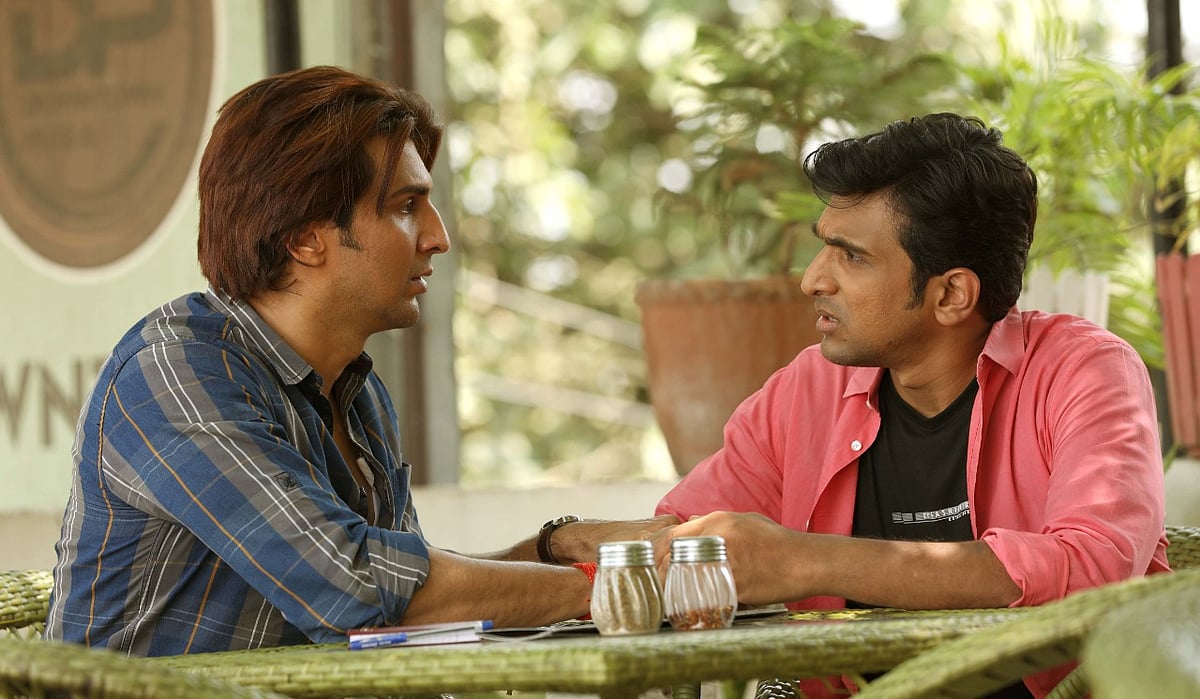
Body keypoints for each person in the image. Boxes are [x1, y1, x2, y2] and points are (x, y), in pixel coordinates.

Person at [45, 65, 669, 656]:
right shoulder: (175, 373)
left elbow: (410, 596)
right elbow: (360, 594)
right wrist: (625, 586)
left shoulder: (352, 386)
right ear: (304, 238)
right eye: (405, 207)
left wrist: (559, 547)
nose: (438, 237)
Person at [642, 113, 1169, 698]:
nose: (813, 280)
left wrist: (806, 561)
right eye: (824, 248)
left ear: (951, 294)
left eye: (852, 257)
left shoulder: (1084, 371)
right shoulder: (811, 388)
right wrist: (565, 546)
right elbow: (675, 542)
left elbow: (1092, 565)